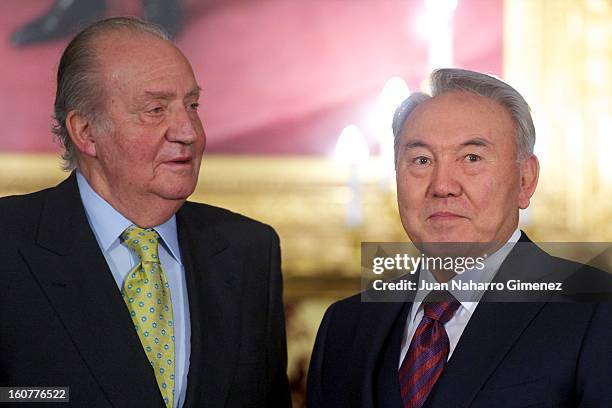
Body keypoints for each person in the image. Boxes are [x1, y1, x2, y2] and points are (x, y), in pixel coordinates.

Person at [0, 17, 291, 408]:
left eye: (192, 105)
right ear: (86, 132)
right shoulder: (9, 245)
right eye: (156, 109)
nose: (188, 131)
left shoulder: (249, 250)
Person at [307, 68, 612, 407]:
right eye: (421, 160)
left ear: (525, 180)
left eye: (471, 158)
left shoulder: (595, 310)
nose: (442, 186)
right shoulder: (345, 325)